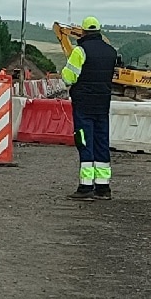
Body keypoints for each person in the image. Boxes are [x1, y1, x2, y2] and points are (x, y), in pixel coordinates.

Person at [59, 17, 120, 199]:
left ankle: (85, 187)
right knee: (101, 143)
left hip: (84, 105)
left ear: (83, 32)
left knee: (84, 142)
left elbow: (69, 78)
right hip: (103, 105)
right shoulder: (111, 52)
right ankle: (103, 188)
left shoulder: (80, 51)